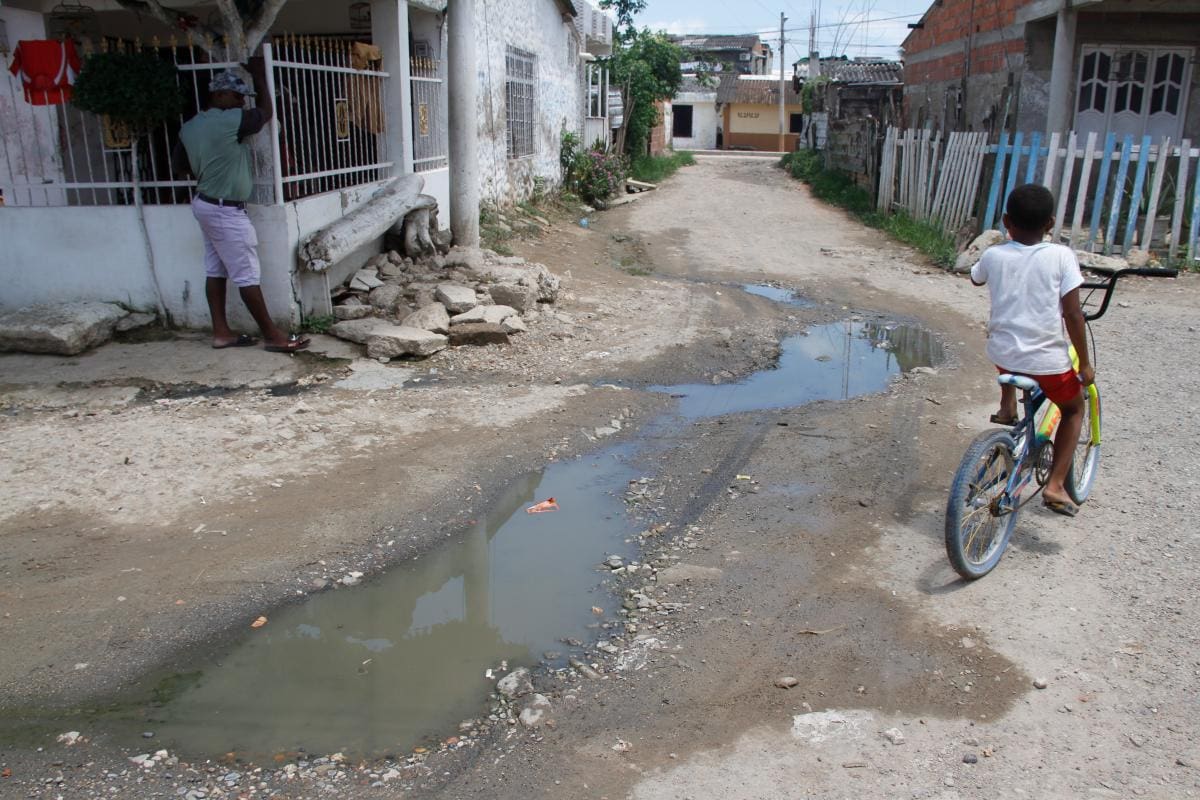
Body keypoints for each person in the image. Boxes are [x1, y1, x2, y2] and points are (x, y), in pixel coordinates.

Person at [970, 183, 1094, 517]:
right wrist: (1084, 363)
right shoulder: (1061, 256)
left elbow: (975, 278)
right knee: (1073, 408)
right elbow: (1072, 314)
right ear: (1050, 224)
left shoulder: (993, 254)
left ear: (1006, 220)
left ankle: (1008, 404)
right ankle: (1054, 486)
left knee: (1008, 349)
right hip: (1046, 363)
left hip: (1002, 354)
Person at [177, 62, 308, 353]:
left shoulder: (190, 128)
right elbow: (265, 114)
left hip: (205, 203)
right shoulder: (228, 121)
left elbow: (182, 167)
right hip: (225, 209)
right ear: (220, 95)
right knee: (246, 272)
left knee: (215, 269)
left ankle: (221, 332)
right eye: (237, 97)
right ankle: (273, 336)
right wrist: (261, 79)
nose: (241, 103)